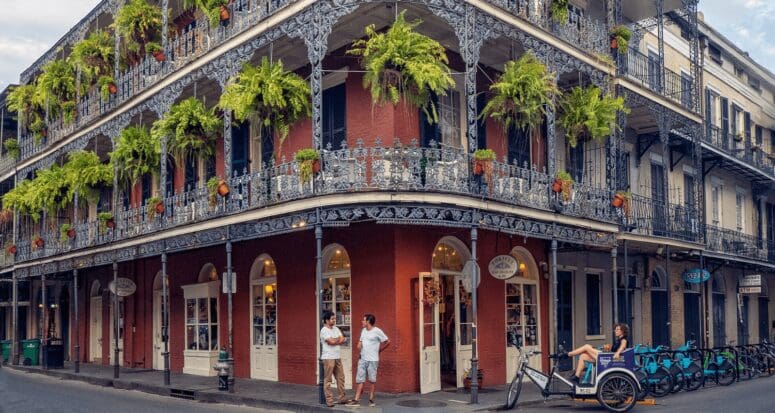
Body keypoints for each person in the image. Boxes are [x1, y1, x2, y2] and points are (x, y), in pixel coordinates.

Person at [346, 314, 390, 407]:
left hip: (373, 360)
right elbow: (360, 342)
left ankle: (371, 399)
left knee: (372, 380)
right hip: (362, 358)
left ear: (368, 322)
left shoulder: (377, 331)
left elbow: (387, 341)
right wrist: (359, 344)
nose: (362, 321)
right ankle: (356, 399)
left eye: (364, 320)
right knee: (360, 379)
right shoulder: (363, 331)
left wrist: (380, 350)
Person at [563, 323, 629, 383]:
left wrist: (617, 353)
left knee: (587, 347)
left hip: (608, 359)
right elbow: (615, 349)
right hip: (607, 358)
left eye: (617, 329)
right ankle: (576, 377)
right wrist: (609, 347)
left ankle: (568, 354)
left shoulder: (624, 340)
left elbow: (623, 346)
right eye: (615, 329)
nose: (615, 331)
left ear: (623, 331)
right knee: (583, 356)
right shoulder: (618, 340)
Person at [320, 310, 348, 407]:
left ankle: (342, 398)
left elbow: (342, 339)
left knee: (341, 378)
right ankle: (329, 400)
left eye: (334, 318)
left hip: (337, 356)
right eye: (332, 319)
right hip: (328, 358)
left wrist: (334, 340)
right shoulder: (323, 330)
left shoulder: (336, 328)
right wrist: (337, 340)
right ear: (327, 320)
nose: (334, 320)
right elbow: (331, 341)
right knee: (328, 380)